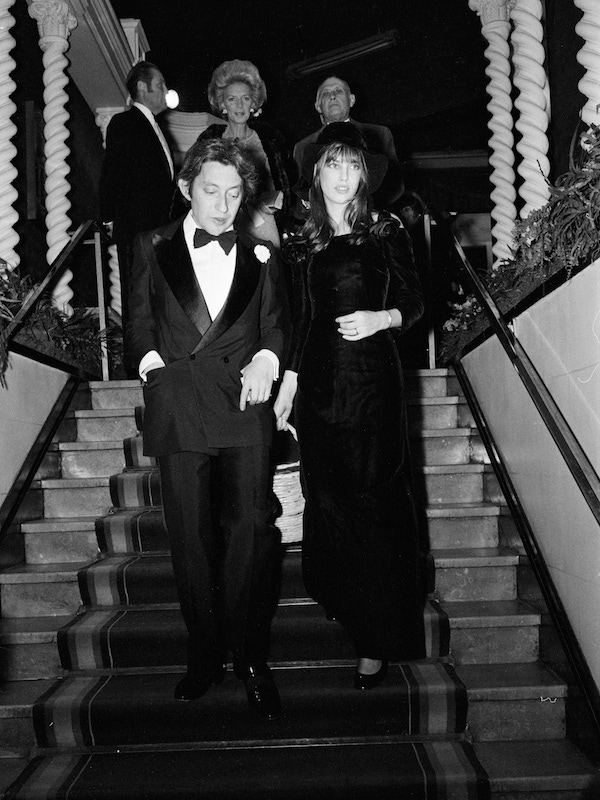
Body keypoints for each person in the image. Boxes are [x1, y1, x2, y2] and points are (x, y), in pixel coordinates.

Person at [126, 137, 290, 720]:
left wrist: (270, 360)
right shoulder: (153, 245)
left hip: (244, 401)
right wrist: (153, 370)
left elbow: (275, 326)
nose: (223, 206)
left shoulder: (263, 255)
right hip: (180, 399)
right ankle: (203, 655)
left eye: (234, 193)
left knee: (251, 526)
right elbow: (138, 323)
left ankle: (250, 657)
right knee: (191, 537)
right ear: (186, 189)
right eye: (211, 192)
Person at [274, 123, 426, 689]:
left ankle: (375, 641)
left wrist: (380, 319)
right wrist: (288, 384)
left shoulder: (386, 231)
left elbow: (416, 302)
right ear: (317, 172)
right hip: (318, 386)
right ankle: (352, 609)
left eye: (351, 164)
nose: (341, 175)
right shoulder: (300, 238)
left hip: (372, 387)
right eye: (331, 164)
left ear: (364, 173)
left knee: (375, 506)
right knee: (331, 504)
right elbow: (299, 320)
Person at [100, 61, 175, 374]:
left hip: (161, 232)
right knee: (138, 299)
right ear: (143, 88)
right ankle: (137, 366)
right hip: (137, 231)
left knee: (160, 297)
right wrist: (106, 217)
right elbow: (112, 172)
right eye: (160, 85)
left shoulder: (159, 129)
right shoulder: (124, 122)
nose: (165, 92)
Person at [194, 60, 296, 248]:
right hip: (221, 220)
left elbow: (287, 187)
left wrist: (274, 202)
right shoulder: (210, 138)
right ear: (223, 104)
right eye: (232, 99)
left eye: (246, 98)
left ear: (253, 103)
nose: (239, 105)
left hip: (262, 223)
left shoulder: (270, 138)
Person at [293, 76, 403, 207]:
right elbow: (299, 195)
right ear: (318, 106)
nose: (332, 96)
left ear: (351, 100)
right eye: (326, 93)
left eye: (338, 91)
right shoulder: (303, 147)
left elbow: (394, 186)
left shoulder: (380, 135)